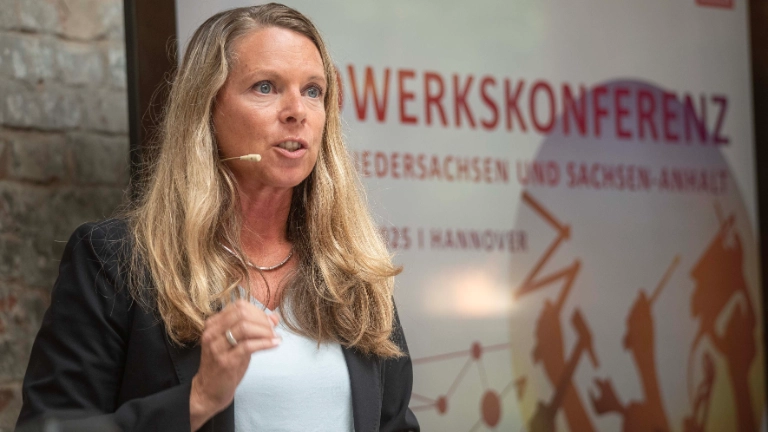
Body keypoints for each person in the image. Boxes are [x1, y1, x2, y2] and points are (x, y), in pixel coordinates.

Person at [16, 3, 419, 432]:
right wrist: (198, 399)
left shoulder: (353, 272)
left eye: (313, 91)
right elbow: (50, 427)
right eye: (265, 87)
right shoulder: (116, 260)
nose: (296, 111)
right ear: (206, 108)